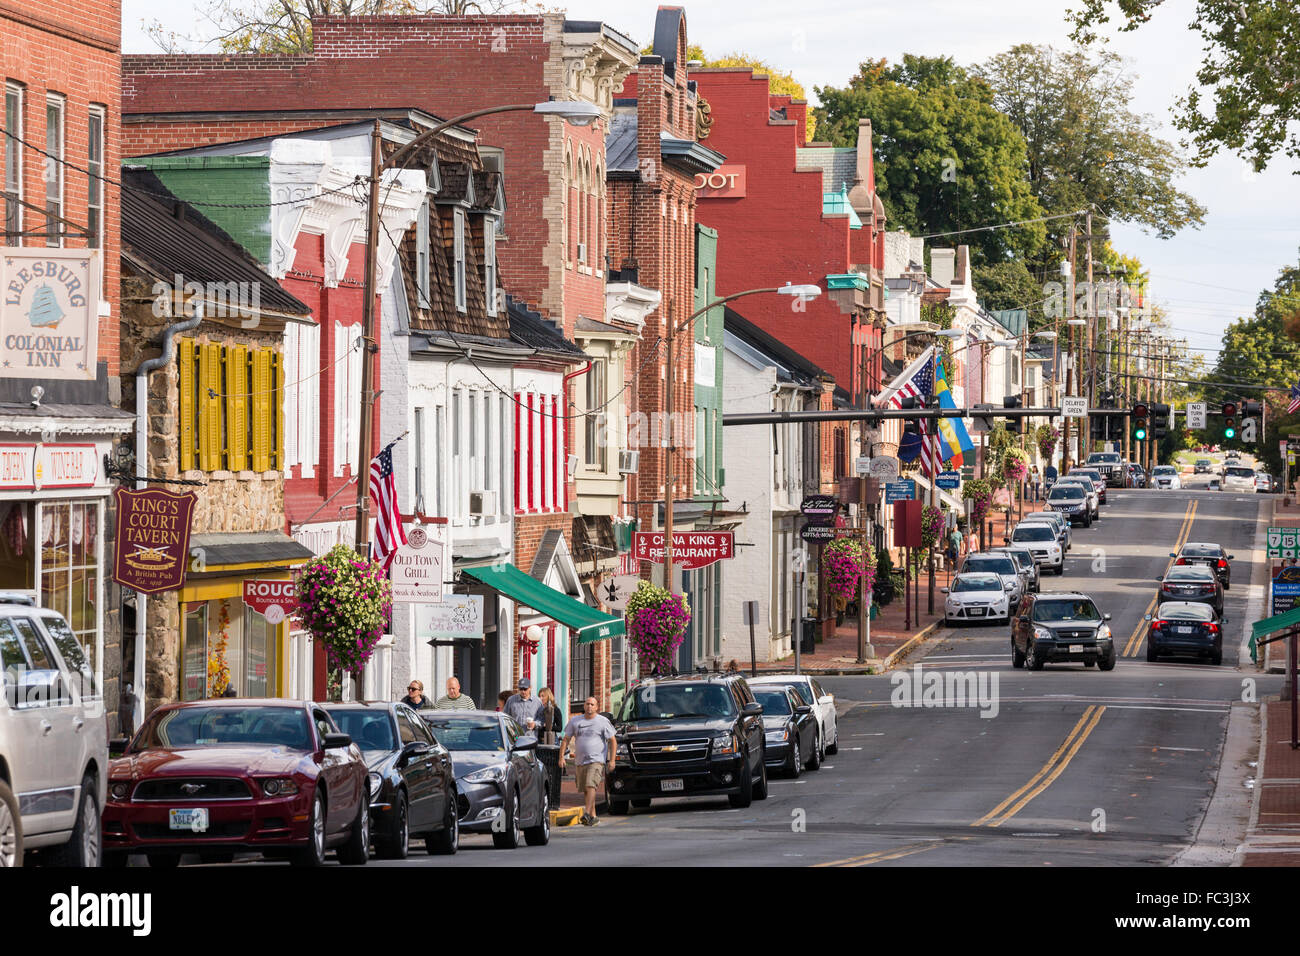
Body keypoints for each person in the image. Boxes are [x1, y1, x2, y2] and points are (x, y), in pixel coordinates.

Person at [559, 696, 616, 827]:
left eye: (592, 704)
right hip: (580, 761)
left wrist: (612, 760)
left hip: (596, 760)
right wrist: (561, 757)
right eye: (587, 704)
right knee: (586, 788)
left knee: (591, 785)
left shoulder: (603, 721)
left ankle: (586, 813)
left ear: (597, 707)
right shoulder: (575, 721)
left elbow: (613, 740)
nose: (589, 706)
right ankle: (593, 816)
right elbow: (566, 739)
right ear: (584, 706)